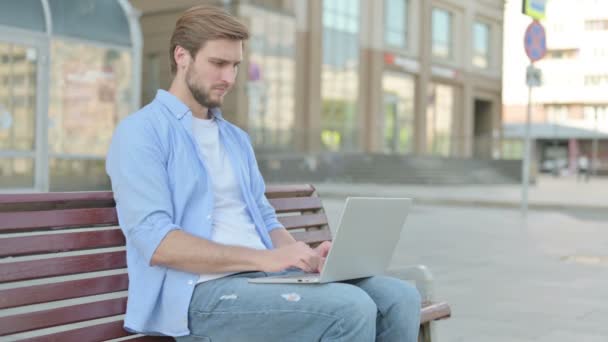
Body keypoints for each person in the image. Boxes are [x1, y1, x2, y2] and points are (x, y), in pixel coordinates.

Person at [106, 5, 421, 341]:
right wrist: (266, 259)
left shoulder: (235, 139)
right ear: (182, 56)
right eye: (218, 63)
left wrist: (308, 257)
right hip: (200, 295)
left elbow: (265, 219)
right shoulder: (141, 132)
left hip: (260, 280)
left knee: (400, 299)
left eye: (235, 65)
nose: (228, 78)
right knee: (349, 308)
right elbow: (157, 243)